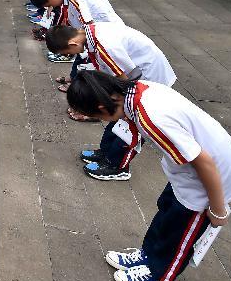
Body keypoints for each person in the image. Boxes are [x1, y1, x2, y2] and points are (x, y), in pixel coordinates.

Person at [67, 71, 231, 281]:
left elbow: (204, 162)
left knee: (179, 230)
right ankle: (148, 256)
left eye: (97, 118)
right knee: (166, 212)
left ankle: (160, 278)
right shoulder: (134, 92)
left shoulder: (150, 116)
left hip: (210, 178)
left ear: (101, 108)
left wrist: (217, 209)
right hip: (187, 171)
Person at [45, 22, 176, 182]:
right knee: (116, 118)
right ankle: (106, 153)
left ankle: (118, 167)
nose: (69, 56)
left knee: (129, 124)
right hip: (134, 78)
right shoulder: (90, 34)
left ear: (73, 43)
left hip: (147, 79)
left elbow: (125, 78)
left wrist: (112, 102)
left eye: (67, 52)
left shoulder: (104, 46)